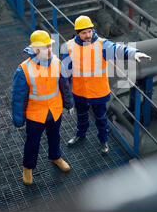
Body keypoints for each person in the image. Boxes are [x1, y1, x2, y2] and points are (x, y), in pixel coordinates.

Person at [62, 15, 151, 154]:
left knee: (101, 119)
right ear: (78, 33)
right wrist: (68, 98)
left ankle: (103, 141)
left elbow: (119, 49)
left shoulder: (102, 45)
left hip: (98, 92)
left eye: (89, 31)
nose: (88, 35)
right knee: (81, 116)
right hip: (79, 91)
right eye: (84, 32)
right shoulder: (69, 46)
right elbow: (65, 72)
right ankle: (80, 135)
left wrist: (134, 53)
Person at [11, 30, 74, 185]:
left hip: (54, 110)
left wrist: (69, 103)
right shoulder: (23, 70)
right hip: (35, 114)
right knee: (32, 142)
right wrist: (18, 119)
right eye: (46, 47)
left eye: (50, 46)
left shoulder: (57, 63)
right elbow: (18, 98)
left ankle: (56, 157)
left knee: (55, 137)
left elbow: (65, 86)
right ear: (36, 49)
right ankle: (28, 167)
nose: (50, 50)